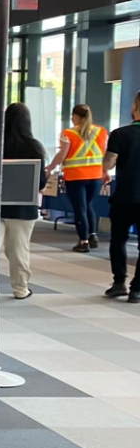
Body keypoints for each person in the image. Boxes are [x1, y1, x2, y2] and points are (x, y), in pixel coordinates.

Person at [1, 103, 48, 300]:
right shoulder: (33, 147)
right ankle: (20, 289)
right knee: (19, 250)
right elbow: (40, 182)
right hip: (23, 208)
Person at [45, 104, 106, 252]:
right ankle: (92, 236)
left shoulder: (68, 133)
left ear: (75, 116)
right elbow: (104, 154)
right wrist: (105, 172)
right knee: (88, 205)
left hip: (75, 176)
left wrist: (50, 168)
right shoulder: (101, 131)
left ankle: (83, 242)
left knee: (80, 209)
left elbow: (62, 155)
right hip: (96, 176)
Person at [102, 92, 140, 302]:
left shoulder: (120, 134)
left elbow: (108, 163)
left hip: (124, 197)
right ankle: (137, 289)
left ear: (135, 107)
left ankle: (119, 283)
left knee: (118, 240)